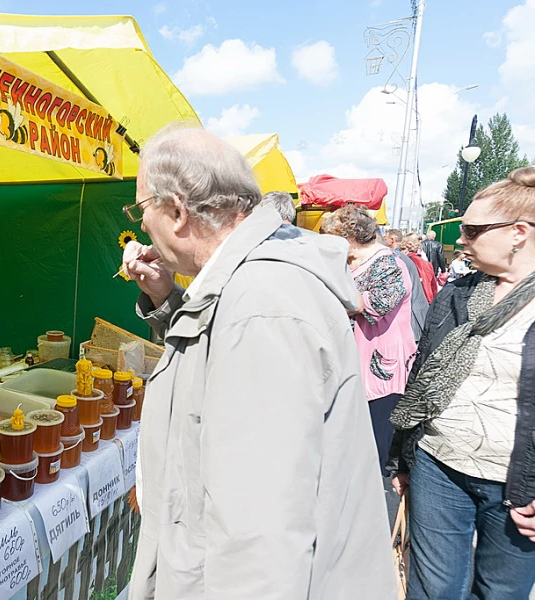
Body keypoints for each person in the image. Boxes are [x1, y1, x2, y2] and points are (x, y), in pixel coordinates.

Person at [120, 125, 394, 599]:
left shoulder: (260, 308)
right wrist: (166, 298)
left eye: (142, 208)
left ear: (178, 211)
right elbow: (209, 360)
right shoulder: (252, 282)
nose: (141, 224)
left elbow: (260, 540)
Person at [388, 167, 535, 599]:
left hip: (518, 487)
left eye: (471, 230)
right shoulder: (456, 293)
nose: (462, 240)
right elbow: (422, 377)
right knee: (433, 590)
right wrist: (402, 459)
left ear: (518, 233)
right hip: (438, 464)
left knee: (500, 593)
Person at [323, 205, 417, 475]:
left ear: (349, 237)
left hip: (380, 364)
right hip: (354, 357)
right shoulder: (352, 262)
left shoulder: (389, 263)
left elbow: (377, 304)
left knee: (373, 443)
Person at [383, 229, 429, 341]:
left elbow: (422, 280)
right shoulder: (417, 259)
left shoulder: (406, 259)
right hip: (419, 308)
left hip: (412, 317)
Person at [400, 233, 438, 302]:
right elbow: (433, 287)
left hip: (412, 301)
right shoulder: (427, 264)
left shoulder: (404, 262)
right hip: (428, 299)